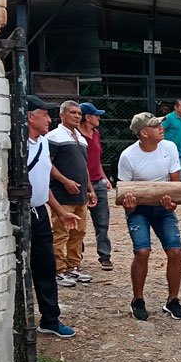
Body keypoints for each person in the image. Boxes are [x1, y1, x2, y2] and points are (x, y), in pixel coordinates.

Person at [117, 113, 181, 321]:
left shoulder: (170, 148)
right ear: (144, 133)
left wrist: (172, 203)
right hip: (139, 210)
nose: (161, 127)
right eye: (156, 126)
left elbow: (175, 185)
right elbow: (124, 192)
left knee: (175, 250)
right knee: (142, 251)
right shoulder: (128, 156)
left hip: (163, 208)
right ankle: (137, 299)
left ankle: (172, 300)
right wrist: (129, 205)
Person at [25, 95, 80, 338]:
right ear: (30, 117)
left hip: (39, 212)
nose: (49, 119)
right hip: (20, 212)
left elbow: (41, 182)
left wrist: (59, 211)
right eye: (45, 114)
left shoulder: (43, 143)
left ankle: (50, 319)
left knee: (46, 267)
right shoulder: (19, 146)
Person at [47, 100, 96, 287]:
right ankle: (58, 269)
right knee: (61, 232)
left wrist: (90, 189)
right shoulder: (54, 137)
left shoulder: (81, 139)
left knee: (78, 232)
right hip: (62, 194)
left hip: (80, 194)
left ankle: (73, 266)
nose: (77, 116)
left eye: (79, 113)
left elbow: (84, 166)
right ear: (62, 115)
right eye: (72, 112)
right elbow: (47, 163)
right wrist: (64, 180)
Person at [79, 102, 113, 272]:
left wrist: (104, 177)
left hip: (97, 181)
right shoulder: (77, 136)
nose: (99, 118)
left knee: (102, 221)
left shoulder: (96, 134)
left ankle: (104, 255)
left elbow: (96, 159)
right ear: (88, 117)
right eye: (96, 115)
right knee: (78, 221)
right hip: (81, 183)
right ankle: (76, 255)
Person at [161, 98, 181, 174]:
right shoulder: (169, 117)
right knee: (170, 173)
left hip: (180, 150)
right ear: (176, 107)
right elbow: (161, 131)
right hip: (168, 151)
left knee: (180, 172)